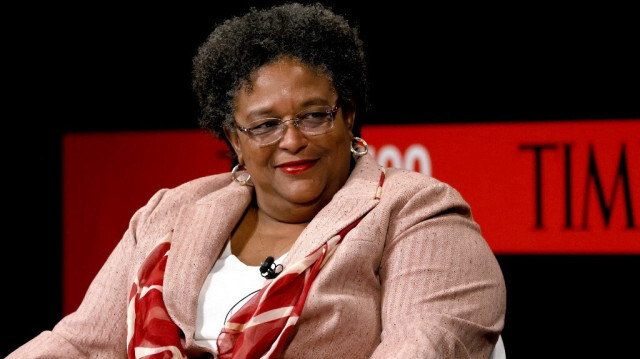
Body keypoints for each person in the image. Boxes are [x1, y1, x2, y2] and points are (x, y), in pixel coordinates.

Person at [8, 2, 506, 358]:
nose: (292, 140)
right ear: (235, 138)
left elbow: (424, 343)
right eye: (265, 125)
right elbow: (80, 343)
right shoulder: (171, 212)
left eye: (313, 116)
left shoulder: (414, 210)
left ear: (348, 116)